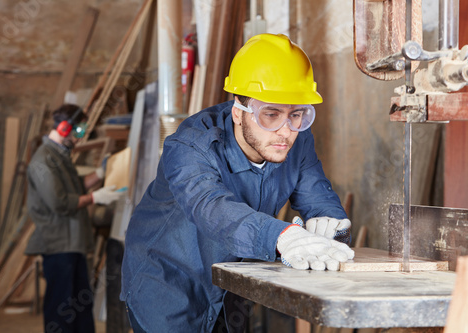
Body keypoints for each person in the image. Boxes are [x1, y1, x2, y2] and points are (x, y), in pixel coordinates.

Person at [120, 33, 354, 333]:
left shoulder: (298, 139)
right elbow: (212, 208)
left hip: (230, 286)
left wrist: (331, 221)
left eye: (297, 114)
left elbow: (316, 193)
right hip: (167, 283)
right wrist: (282, 237)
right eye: (271, 114)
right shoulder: (190, 147)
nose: (286, 131)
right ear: (238, 112)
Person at [24, 104, 123, 333]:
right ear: (64, 128)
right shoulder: (43, 161)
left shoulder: (60, 156)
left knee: (81, 309)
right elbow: (60, 202)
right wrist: (95, 197)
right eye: (78, 132)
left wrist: (100, 173)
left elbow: (75, 187)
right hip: (59, 245)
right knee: (62, 309)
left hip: (73, 244)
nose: (79, 139)